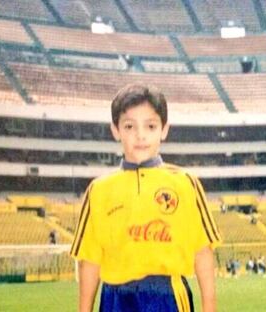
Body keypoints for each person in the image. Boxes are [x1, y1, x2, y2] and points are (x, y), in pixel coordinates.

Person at [70, 84, 221, 312]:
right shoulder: (99, 190)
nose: (140, 135)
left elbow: (202, 252)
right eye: (129, 126)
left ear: (164, 129)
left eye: (150, 126)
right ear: (115, 130)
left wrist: (209, 308)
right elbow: (90, 260)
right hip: (115, 298)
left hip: (167, 294)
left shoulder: (185, 184)